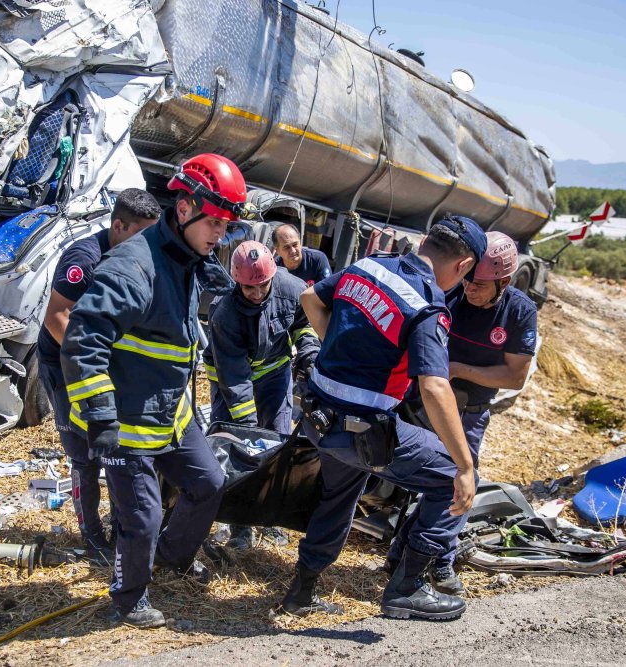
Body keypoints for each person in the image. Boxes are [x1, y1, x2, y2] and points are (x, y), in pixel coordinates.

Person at [61, 153, 246, 628]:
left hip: (170, 413)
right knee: (139, 519)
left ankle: (172, 557)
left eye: (227, 227)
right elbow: (83, 338)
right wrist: (100, 414)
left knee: (209, 483)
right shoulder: (133, 266)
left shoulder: (184, 258)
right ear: (184, 208)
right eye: (216, 224)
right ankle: (128, 598)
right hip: (124, 421)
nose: (220, 236)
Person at [278, 215, 487, 621]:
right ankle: (407, 589)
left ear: (425, 241)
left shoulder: (369, 265)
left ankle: (300, 593)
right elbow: (434, 387)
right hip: (363, 432)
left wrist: (340, 352)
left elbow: (310, 300)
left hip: (318, 418)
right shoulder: (428, 305)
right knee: (450, 480)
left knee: (338, 496)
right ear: (463, 267)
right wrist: (465, 464)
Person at [386, 231, 538, 595]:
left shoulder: (518, 311)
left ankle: (438, 560)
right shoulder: (452, 292)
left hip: (468, 411)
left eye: (481, 284)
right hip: (425, 405)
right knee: (430, 481)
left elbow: (514, 376)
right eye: (469, 278)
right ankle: (406, 554)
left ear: (505, 280)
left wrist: (453, 368)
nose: (471, 288)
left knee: (458, 482)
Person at [36, 189, 161, 562]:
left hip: (106, 369)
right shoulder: (85, 258)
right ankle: (91, 536)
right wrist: (92, 364)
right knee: (84, 456)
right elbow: (57, 315)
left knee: (117, 450)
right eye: (143, 236)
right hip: (65, 366)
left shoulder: (134, 257)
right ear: (118, 226)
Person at [204, 240, 320, 549]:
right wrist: (247, 427)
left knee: (277, 442)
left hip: (274, 377)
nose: (257, 295)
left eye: (263, 287)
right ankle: (238, 525)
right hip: (233, 384)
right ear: (237, 281)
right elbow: (234, 375)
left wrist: (308, 354)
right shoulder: (224, 312)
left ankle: (270, 518)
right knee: (238, 449)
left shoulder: (291, 287)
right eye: (249, 289)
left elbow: (303, 326)